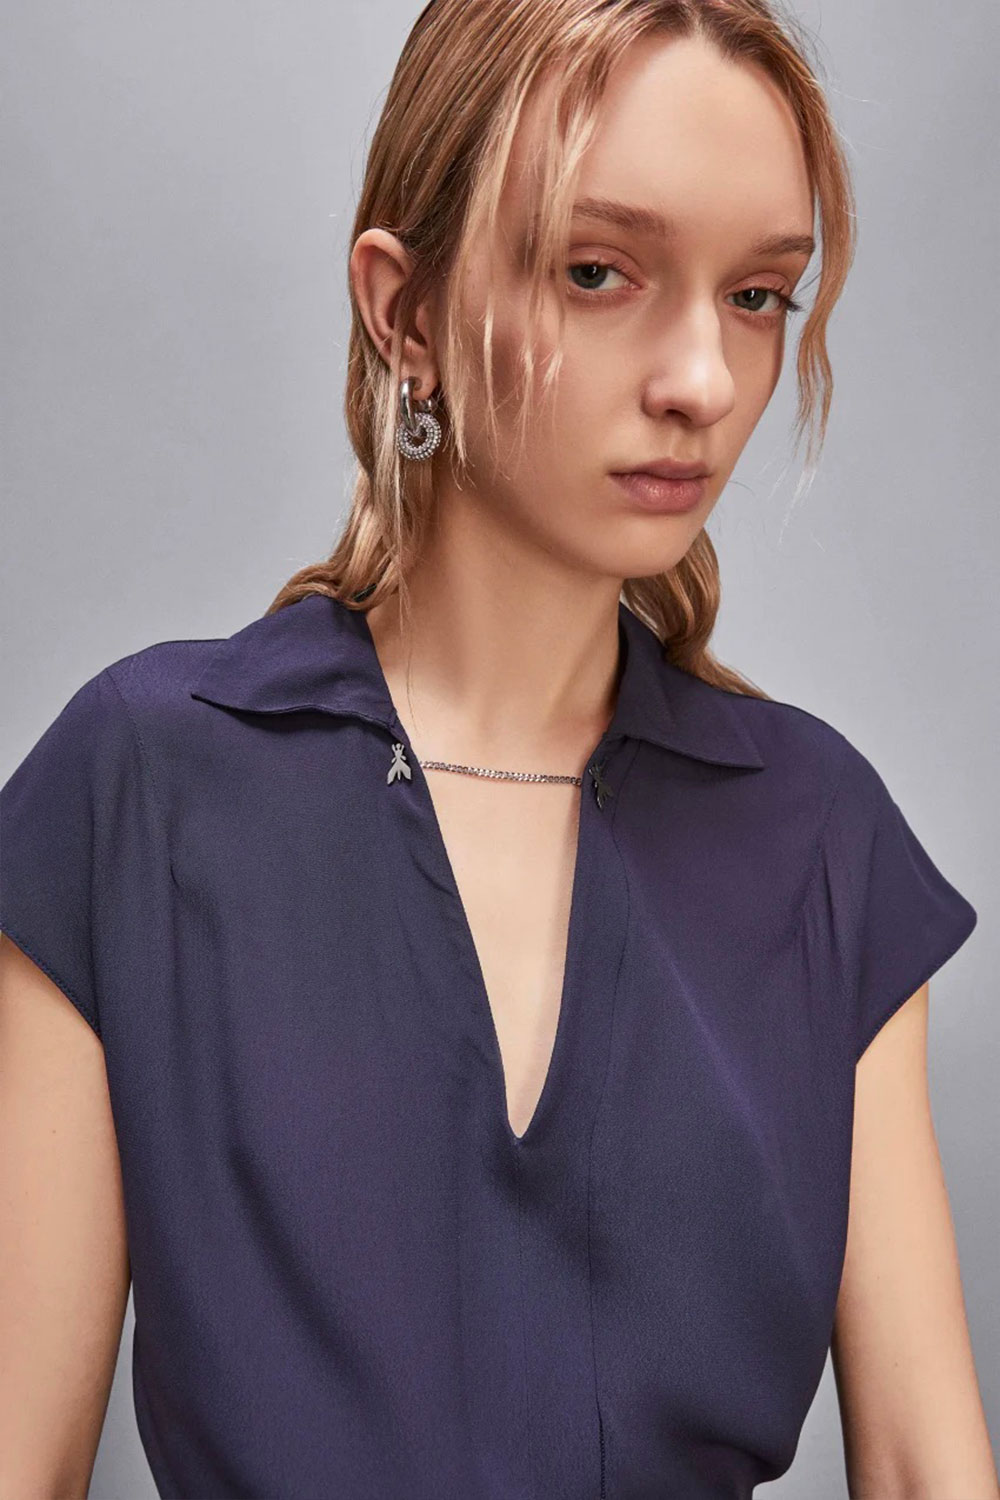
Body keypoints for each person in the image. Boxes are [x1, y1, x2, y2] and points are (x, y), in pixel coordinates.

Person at [1, 1, 996, 1496]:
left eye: (756, 296)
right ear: (404, 314)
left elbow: (930, 1469)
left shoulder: (819, 842)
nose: (703, 382)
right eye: (600, 273)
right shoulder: (142, 795)